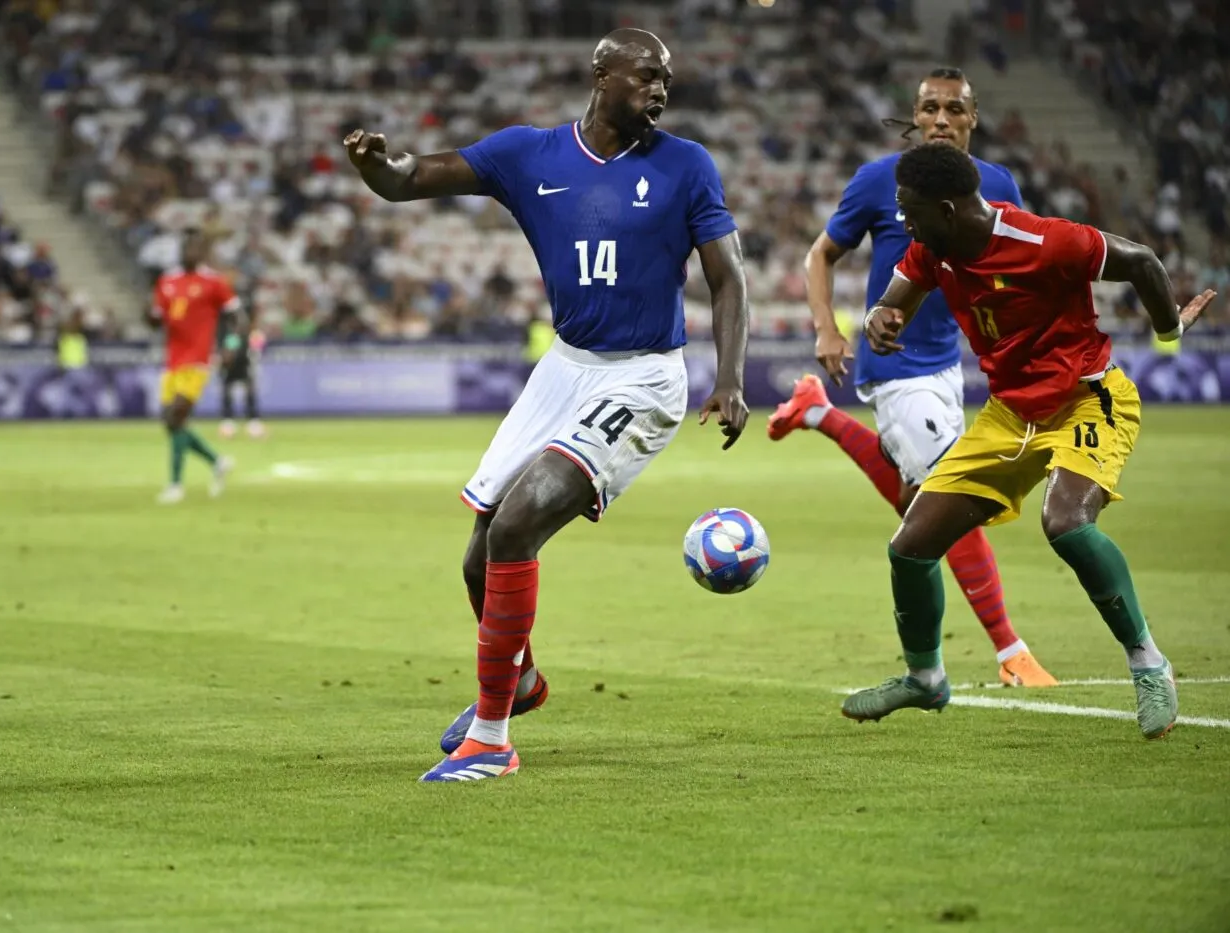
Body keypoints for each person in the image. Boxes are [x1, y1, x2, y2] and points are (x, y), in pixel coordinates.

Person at [345, 28, 751, 782]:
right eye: (646, 76)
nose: (660, 90)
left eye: (667, 80)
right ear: (602, 75)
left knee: (521, 522)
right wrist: (378, 166)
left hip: (644, 376)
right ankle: (521, 681)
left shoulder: (687, 166)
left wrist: (729, 377)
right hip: (563, 370)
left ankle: (493, 738)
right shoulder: (528, 155)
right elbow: (410, 178)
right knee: (480, 555)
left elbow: (728, 277)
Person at [843, 142, 1215, 739]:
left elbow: (1143, 260)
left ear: (947, 207)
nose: (902, 222)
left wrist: (1171, 331)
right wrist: (878, 320)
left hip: (1087, 398)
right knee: (909, 545)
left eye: (909, 211)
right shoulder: (932, 249)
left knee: (1066, 523)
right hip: (1009, 416)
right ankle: (926, 678)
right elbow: (893, 303)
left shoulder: (1045, 241)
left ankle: (1150, 665)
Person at [767, 67, 1056, 687]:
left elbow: (1027, 265)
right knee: (949, 504)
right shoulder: (880, 181)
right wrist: (826, 328)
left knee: (913, 499)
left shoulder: (1000, 184)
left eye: (955, 109)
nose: (941, 120)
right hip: (895, 367)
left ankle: (817, 412)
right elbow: (821, 253)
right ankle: (1011, 651)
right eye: (929, 109)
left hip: (948, 364)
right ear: (915, 117)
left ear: (974, 119)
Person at [149, 230, 237, 504]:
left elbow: (235, 316)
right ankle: (217, 461)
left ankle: (176, 485)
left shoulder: (213, 282)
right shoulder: (167, 281)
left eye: (196, 249)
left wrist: (231, 344)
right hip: (172, 361)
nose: (190, 253)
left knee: (176, 416)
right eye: (187, 248)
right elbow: (156, 319)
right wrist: (148, 313)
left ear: (202, 254)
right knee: (171, 422)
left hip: (198, 360)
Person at [217, 314, 265, 439]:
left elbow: (258, 350)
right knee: (227, 393)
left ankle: (253, 423)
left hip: (246, 368)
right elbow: (227, 355)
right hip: (232, 369)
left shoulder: (253, 336)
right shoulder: (233, 338)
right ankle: (228, 423)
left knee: (250, 393)